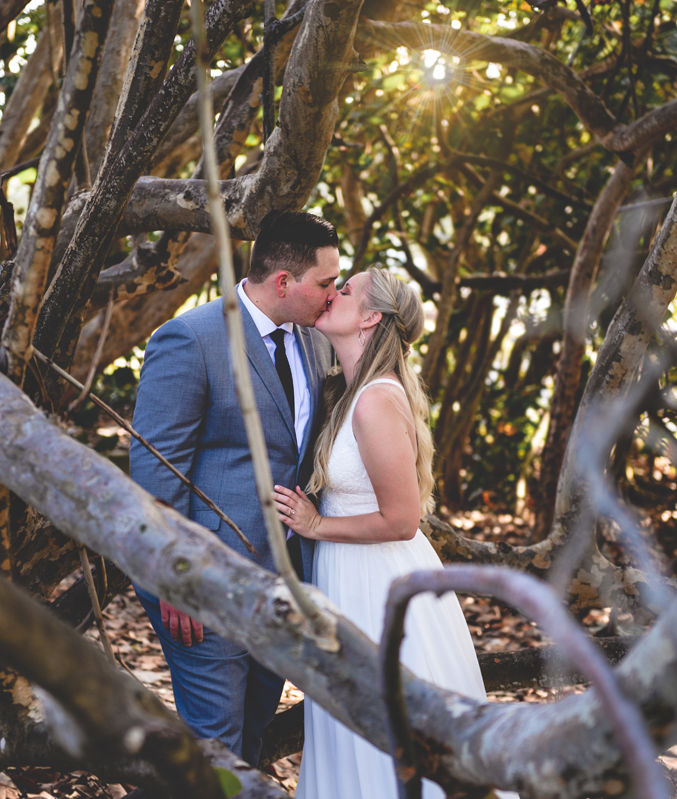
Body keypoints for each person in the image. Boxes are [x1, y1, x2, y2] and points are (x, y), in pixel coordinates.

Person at [274, 269, 502, 799]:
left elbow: (401, 519)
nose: (333, 294)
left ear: (371, 317)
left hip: (379, 587)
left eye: (346, 289)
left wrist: (316, 524)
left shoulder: (377, 398)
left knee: (390, 739)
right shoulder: (347, 392)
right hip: (347, 578)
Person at [129, 209, 339, 766]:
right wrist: (175, 577)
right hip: (205, 582)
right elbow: (153, 470)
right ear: (284, 282)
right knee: (214, 742)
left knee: (249, 737)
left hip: (284, 584)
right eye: (326, 283)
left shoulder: (316, 346)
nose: (333, 294)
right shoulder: (190, 338)